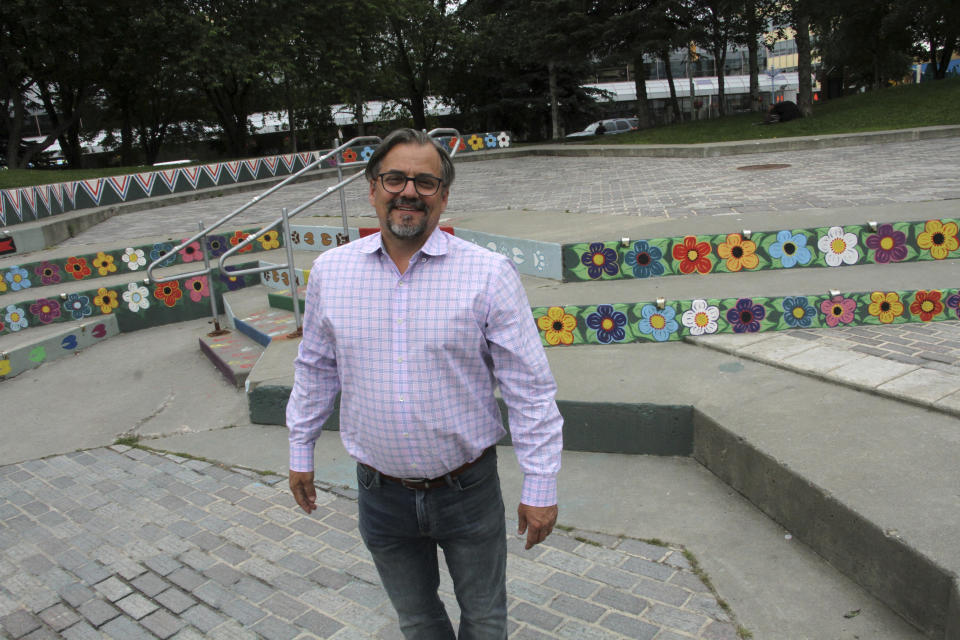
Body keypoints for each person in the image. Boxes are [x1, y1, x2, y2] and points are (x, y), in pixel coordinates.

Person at [286, 127, 564, 639]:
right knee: (416, 620)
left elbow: (529, 387)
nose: (408, 191)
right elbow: (315, 366)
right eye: (394, 178)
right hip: (379, 494)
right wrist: (300, 448)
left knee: (483, 618)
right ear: (371, 188)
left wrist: (540, 483)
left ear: (443, 195)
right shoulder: (331, 272)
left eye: (425, 181)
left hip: (468, 491)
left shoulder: (487, 274)